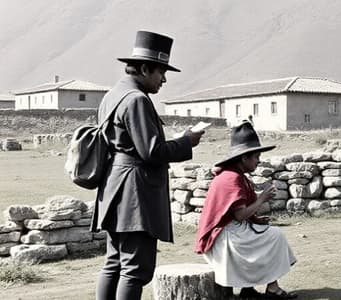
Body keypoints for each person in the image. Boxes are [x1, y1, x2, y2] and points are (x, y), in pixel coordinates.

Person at [92, 30, 204, 300]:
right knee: (134, 270)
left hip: (115, 188)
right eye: (160, 72)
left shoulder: (113, 95)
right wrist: (187, 141)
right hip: (135, 194)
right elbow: (151, 151)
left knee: (115, 263)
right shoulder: (137, 100)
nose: (164, 79)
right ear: (144, 68)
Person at [195, 121, 298, 300]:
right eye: (256, 156)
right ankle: (272, 289)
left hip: (231, 230)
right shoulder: (231, 178)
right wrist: (262, 199)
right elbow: (240, 214)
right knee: (275, 236)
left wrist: (256, 219)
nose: (259, 161)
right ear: (244, 158)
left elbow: (240, 210)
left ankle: (248, 289)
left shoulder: (234, 175)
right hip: (224, 237)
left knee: (268, 234)